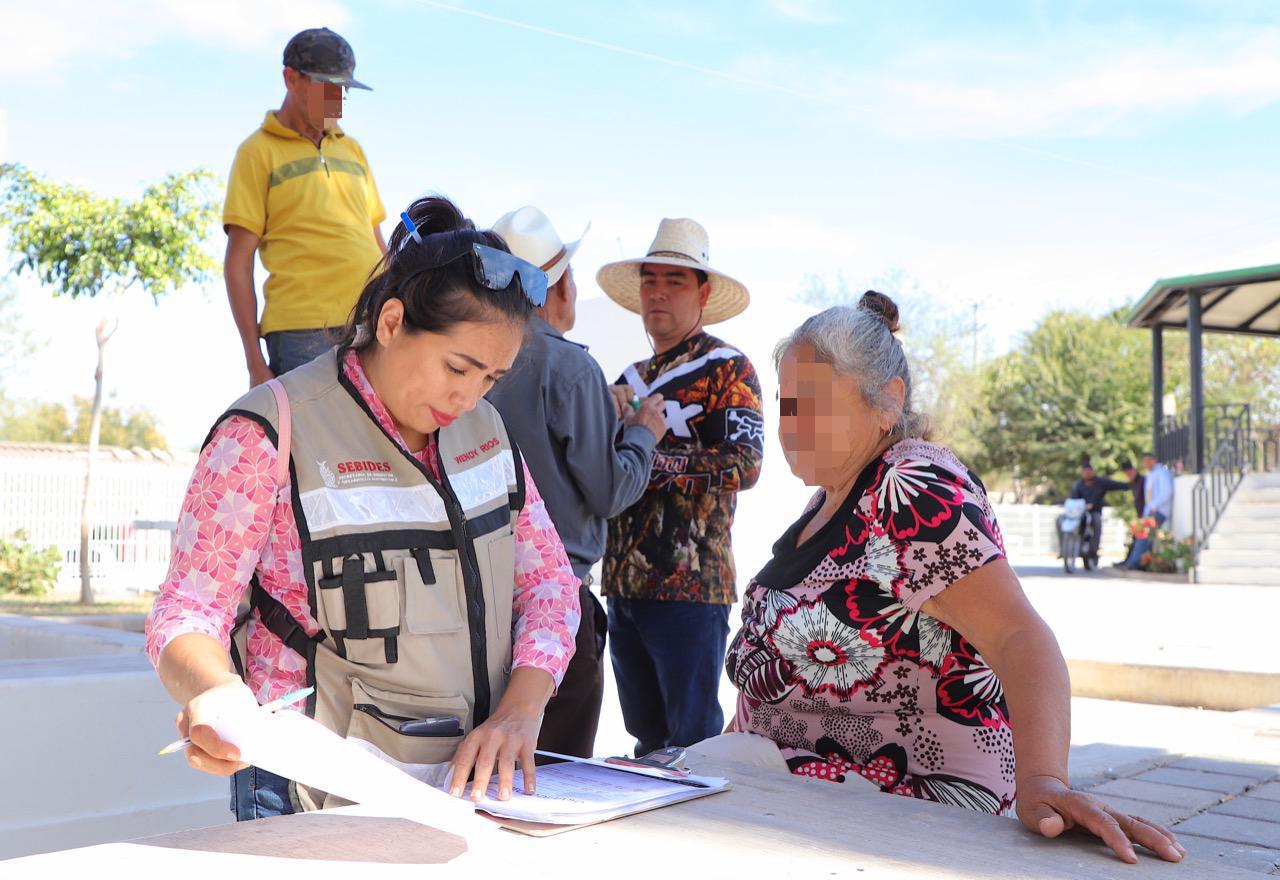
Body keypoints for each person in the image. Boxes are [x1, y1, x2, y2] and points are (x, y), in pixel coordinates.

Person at [145, 196, 580, 819]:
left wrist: (520, 710)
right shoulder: (269, 431)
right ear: (393, 322)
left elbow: (550, 589)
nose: (467, 396)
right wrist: (219, 697)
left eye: (491, 377)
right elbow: (188, 609)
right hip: (310, 797)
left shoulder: (489, 434)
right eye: (458, 366)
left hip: (471, 794)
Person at [724, 294, 1184, 865]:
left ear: (887, 402)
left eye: (812, 403)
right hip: (792, 790)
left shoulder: (913, 491)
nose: (791, 425)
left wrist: (1046, 780)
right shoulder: (834, 495)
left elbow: (1019, 637)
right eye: (786, 405)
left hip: (900, 806)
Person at [485, 206, 665, 757]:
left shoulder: (474, 356)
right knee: (554, 774)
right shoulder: (571, 368)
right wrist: (642, 434)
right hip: (556, 602)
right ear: (558, 285)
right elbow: (610, 490)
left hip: (483, 599)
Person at [596, 218, 765, 758]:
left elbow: (747, 463)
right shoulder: (625, 378)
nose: (658, 293)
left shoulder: (728, 369)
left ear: (703, 292)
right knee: (645, 739)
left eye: (675, 280)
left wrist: (646, 450)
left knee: (693, 742)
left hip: (691, 587)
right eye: (650, 280)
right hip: (623, 585)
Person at [224, 27, 388, 387]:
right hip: (302, 332)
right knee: (319, 443)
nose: (338, 101)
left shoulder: (353, 149)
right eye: (328, 88)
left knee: (373, 441)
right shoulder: (256, 152)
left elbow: (377, 241)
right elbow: (238, 263)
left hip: (371, 320)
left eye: (343, 90)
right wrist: (254, 363)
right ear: (291, 78)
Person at [1066, 461, 1129, 568]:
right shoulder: (1078, 485)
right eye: (1084, 472)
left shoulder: (1101, 482)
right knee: (1065, 522)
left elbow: (1117, 485)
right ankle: (1068, 548)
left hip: (1094, 511)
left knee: (1097, 523)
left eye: (1089, 471)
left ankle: (1093, 551)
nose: (1087, 474)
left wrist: (1131, 485)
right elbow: (1073, 499)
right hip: (1080, 513)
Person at [1124, 452, 1174, 569]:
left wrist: (1153, 506)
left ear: (1153, 460)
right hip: (1150, 511)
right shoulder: (1150, 474)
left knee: (1143, 536)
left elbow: (1167, 492)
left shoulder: (1161, 473)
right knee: (1144, 536)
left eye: (1146, 460)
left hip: (1158, 510)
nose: (1144, 464)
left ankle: (1134, 563)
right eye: (1143, 461)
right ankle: (1141, 563)